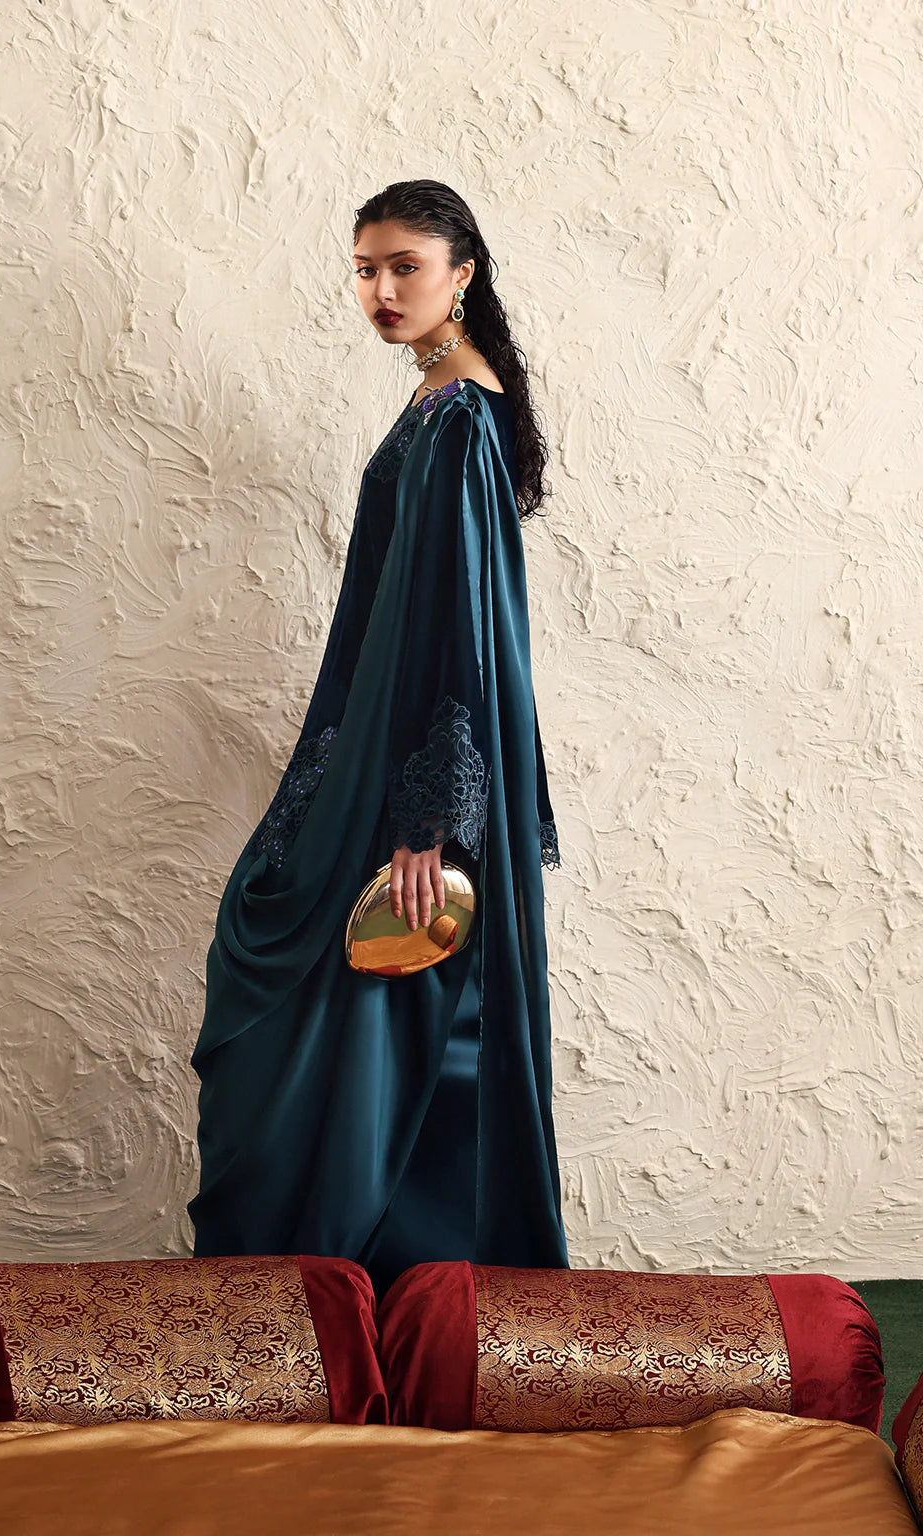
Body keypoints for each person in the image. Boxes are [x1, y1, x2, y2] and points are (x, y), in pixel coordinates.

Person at [187, 178, 569, 1297]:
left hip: (414, 779)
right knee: (309, 984)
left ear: (462, 274)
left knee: (369, 1004)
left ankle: (380, 1283)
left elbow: (459, 625)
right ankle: (341, 1280)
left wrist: (429, 822)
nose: (383, 289)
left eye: (407, 266)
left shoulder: (460, 421)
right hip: (381, 752)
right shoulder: (439, 401)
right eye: (366, 269)